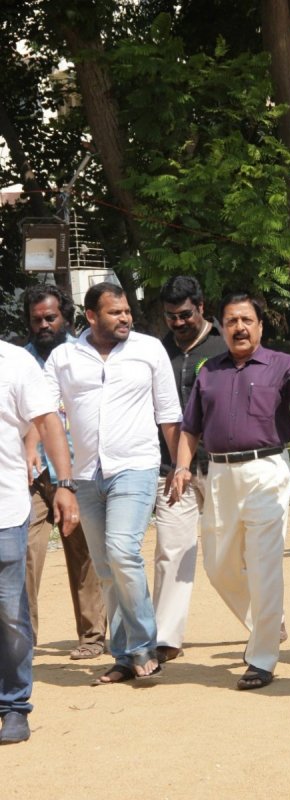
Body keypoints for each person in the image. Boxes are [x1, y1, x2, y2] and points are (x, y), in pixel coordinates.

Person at [44, 282, 181, 684]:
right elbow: (48, 416)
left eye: (126, 311)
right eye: (115, 312)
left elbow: (168, 412)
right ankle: (124, 656)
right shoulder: (64, 357)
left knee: (122, 552)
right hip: (85, 475)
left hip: (135, 467)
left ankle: (143, 645)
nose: (125, 318)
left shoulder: (148, 349)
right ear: (90, 316)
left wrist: (180, 464)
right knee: (105, 568)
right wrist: (62, 480)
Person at [171, 292, 290, 691]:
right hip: (219, 476)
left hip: (266, 471)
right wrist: (181, 466)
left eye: (247, 320)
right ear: (222, 326)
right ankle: (267, 619)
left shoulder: (284, 365)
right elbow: (190, 426)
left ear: (260, 326)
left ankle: (261, 659)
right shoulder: (208, 370)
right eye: (231, 321)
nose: (240, 328)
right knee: (217, 565)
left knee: (263, 565)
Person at [0, 340, 78, 745]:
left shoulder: (14, 362)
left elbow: (47, 422)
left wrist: (63, 485)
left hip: (5, 509)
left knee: (10, 612)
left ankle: (13, 705)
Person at [22, 285, 106, 658]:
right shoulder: (18, 362)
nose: (43, 324)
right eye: (37, 319)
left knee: (84, 555)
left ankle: (93, 637)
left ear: (66, 318)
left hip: (79, 470)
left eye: (50, 317)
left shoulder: (83, 357)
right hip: (32, 477)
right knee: (23, 556)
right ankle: (20, 641)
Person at [153, 275, 227, 663]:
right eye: (171, 317)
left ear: (201, 306)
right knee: (170, 548)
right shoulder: (157, 351)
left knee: (229, 552)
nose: (178, 323)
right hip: (172, 469)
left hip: (220, 465)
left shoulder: (225, 346)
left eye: (184, 315)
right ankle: (166, 636)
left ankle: (266, 618)